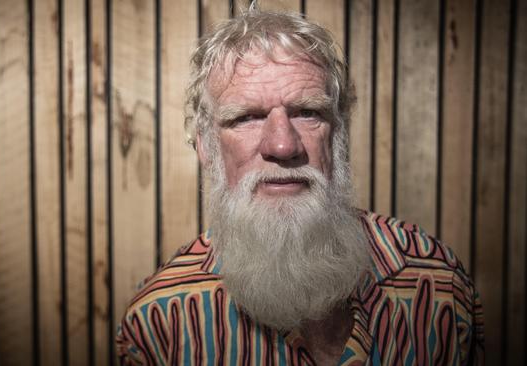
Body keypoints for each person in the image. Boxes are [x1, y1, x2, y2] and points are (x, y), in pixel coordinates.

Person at [116, 9, 484, 365]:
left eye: (308, 112)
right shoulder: (159, 323)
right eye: (246, 117)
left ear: (337, 135)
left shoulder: (439, 286)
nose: (283, 146)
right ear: (206, 147)